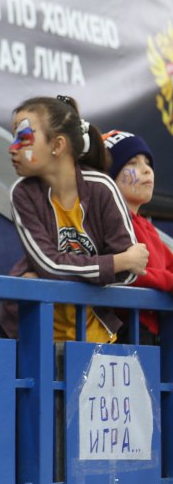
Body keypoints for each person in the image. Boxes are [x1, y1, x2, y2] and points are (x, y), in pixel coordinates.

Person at [0, 95, 147, 342]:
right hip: (31, 338)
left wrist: (121, 265)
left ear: (57, 145)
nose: (12, 148)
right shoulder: (22, 193)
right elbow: (49, 265)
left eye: (23, 138)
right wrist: (117, 262)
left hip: (95, 338)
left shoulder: (102, 187)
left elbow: (130, 273)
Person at [102, 130, 171, 341]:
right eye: (132, 163)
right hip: (125, 332)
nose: (146, 170)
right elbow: (129, 275)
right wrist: (169, 282)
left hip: (151, 333)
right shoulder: (110, 222)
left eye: (148, 163)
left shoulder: (147, 227)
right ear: (107, 178)